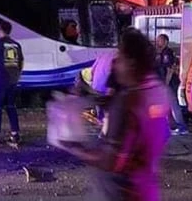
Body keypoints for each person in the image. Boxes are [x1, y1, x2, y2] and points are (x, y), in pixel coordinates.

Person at [65, 28, 170, 200]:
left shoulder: (128, 101)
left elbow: (111, 162)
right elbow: (163, 132)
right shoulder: (157, 89)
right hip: (147, 187)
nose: (115, 63)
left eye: (120, 58)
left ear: (132, 63)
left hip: (120, 192)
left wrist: (74, 147)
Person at [155, 34, 188, 135]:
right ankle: (171, 126)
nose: (157, 42)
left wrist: (166, 84)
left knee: (173, 105)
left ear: (165, 42)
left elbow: (170, 70)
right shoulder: (162, 53)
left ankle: (182, 127)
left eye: (159, 40)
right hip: (165, 83)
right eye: (157, 40)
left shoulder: (167, 53)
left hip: (169, 83)